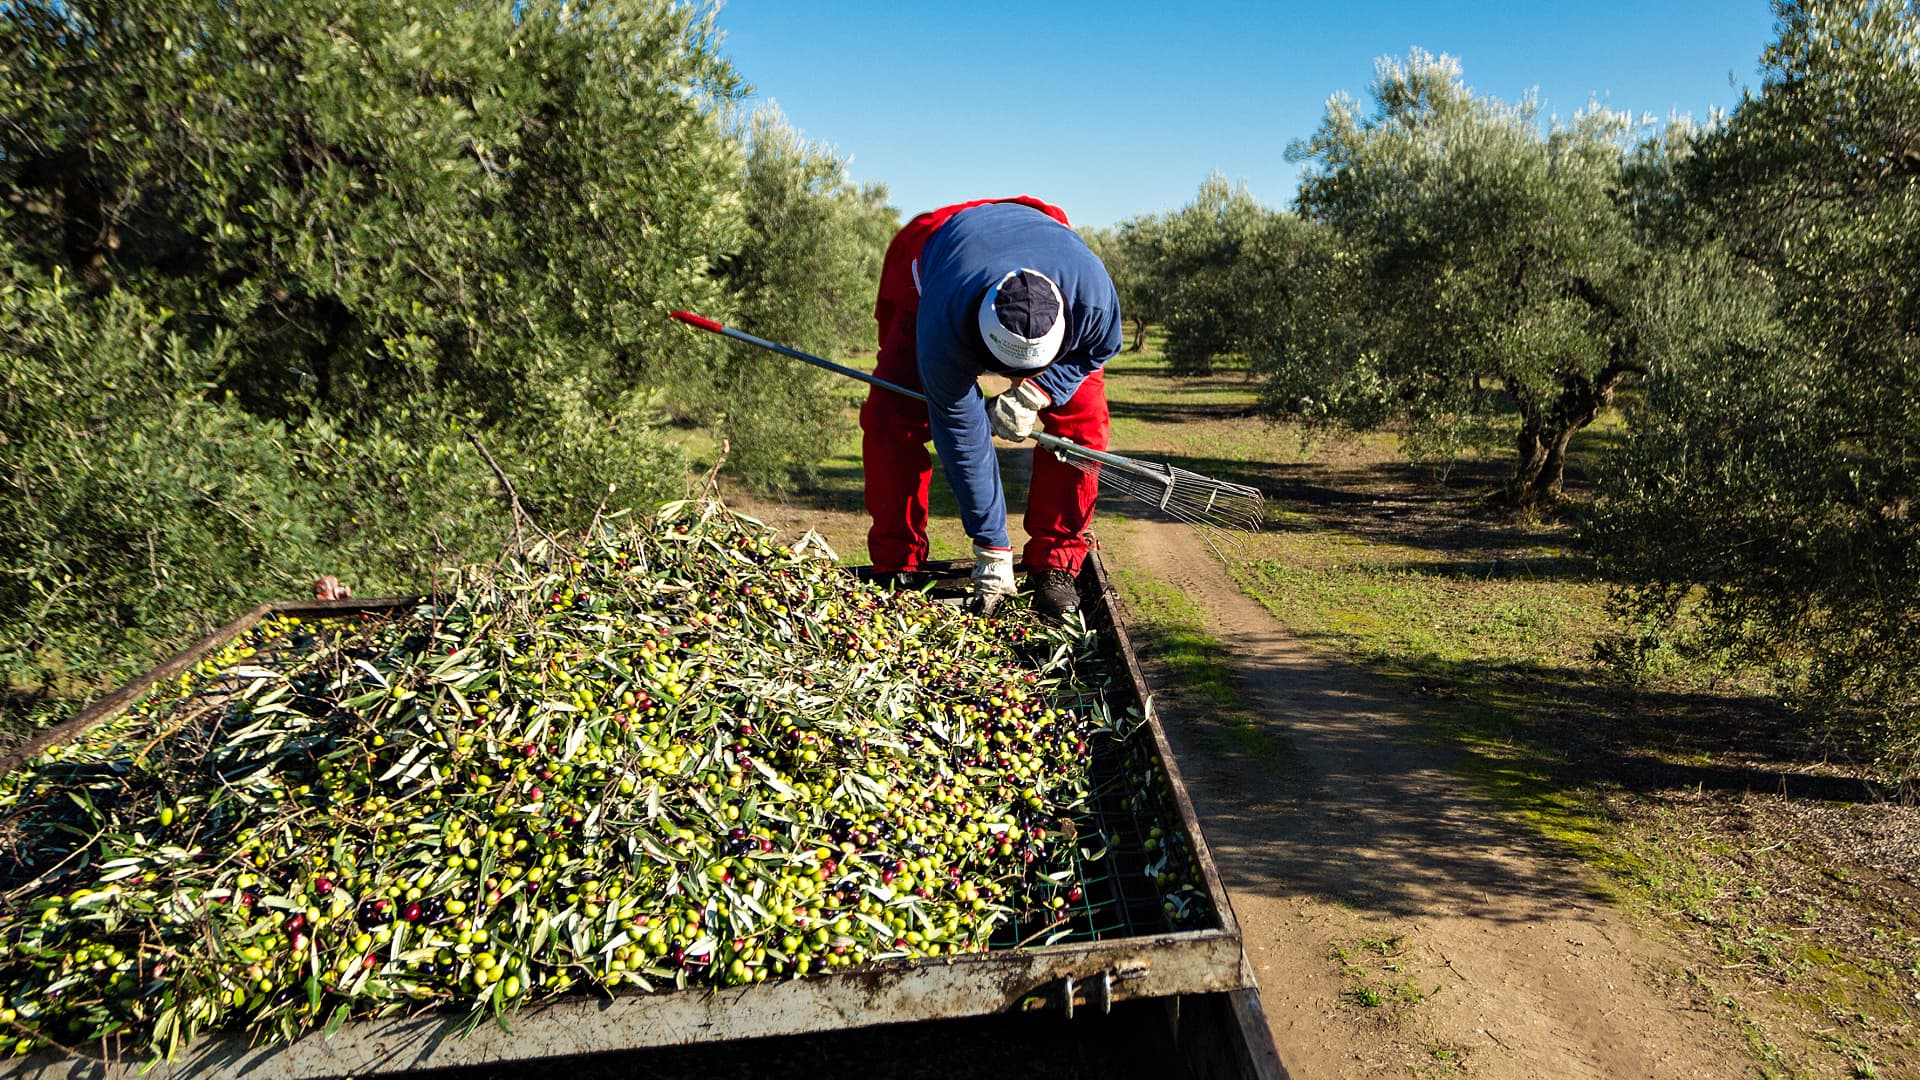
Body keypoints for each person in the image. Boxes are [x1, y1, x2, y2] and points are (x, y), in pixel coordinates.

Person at [862, 196, 1122, 618]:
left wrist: (1042, 389)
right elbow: (963, 438)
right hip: (937, 256)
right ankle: (899, 563)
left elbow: (1102, 348)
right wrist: (992, 546)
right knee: (893, 416)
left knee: (1082, 424)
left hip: (1039, 245)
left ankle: (1055, 563)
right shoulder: (943, 324)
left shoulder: (1090, 297)